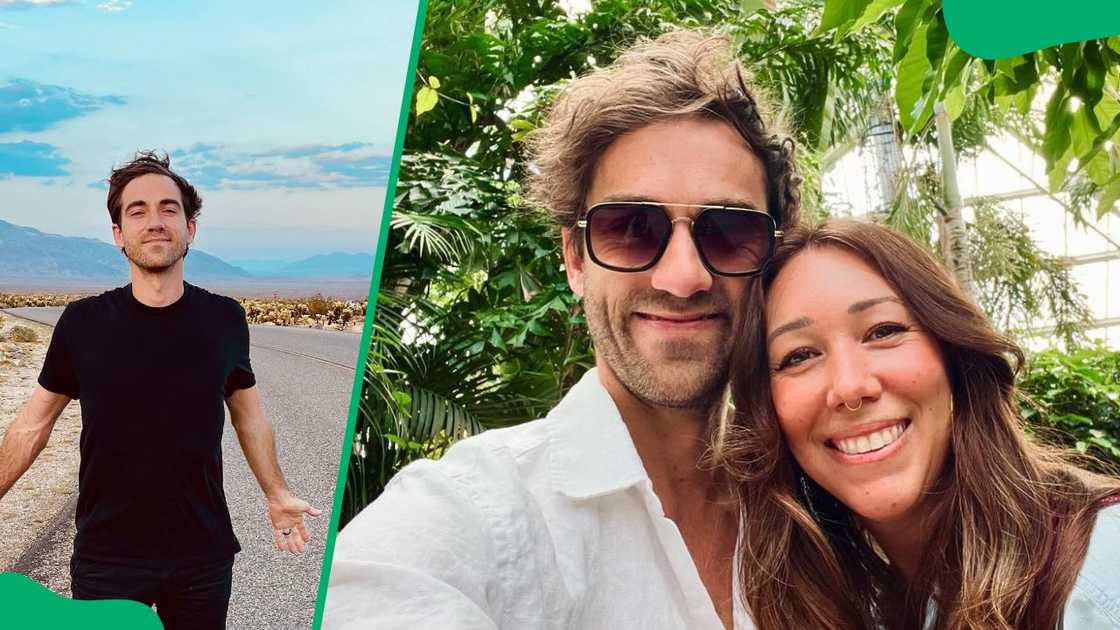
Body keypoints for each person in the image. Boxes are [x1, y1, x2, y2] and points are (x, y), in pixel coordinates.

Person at [325, 31, 800, 629]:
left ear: (770, 257)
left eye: (729, 232)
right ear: (575, 259)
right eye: (631, 228)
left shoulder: (823, 507)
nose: (683, 277)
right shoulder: (480, 514)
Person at [717, 218, 1120, 629]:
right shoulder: (853, 603)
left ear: (953, 352)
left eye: (882, 332)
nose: (851, 386)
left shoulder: (1101, 569)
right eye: (799, 356)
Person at [0, 151, 322, 630]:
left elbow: (249, 416)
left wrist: (276, 494)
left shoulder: (224, 319)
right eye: (138, 211)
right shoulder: (83, 324)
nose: (155, 222)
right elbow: (33, 424)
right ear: (118, 235)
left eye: (169, 209)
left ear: (191, 229)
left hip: (202, 555)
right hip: (107, 556)